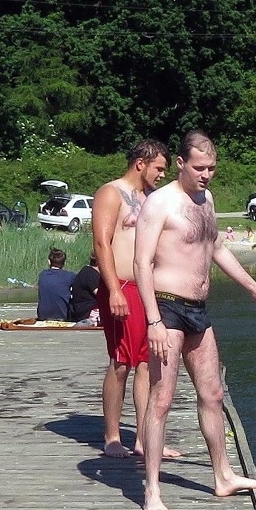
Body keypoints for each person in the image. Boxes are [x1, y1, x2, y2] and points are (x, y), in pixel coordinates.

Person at [134, 130, 256, 510]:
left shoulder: (206, 199)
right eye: (199, 168)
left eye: (212, 168)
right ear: (180, 163)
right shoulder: (160, 204)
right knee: (161, 399)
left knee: (212, 394)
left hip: (199, 308)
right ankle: (152, 489)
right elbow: (141, 263)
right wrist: (152, 322)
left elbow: (215, 247)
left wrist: (255, 289)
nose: (206, 175)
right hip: (165, 307)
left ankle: (223, 475)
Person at [93, 139, 179, 460]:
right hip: (122, 287)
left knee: (148, 363)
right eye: (159, 168)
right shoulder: (111, 192)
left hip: (149, 290)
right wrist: (113, 288)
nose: (161, 174)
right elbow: (102, 243)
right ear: (140, 163)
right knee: (121, 363)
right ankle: (112, 436)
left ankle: (145, 438)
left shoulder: (152, 199)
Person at [37, 248, 76, 321]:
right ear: (64, 263)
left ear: (49, 262)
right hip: (62, 315)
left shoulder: (42, 275)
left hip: (43, 315)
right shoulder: (70, 276)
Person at [69, 251, 101, 326]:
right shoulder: (91, 274)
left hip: (79, 308)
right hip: (87, 311)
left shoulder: (86, 270)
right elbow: (100, 295)